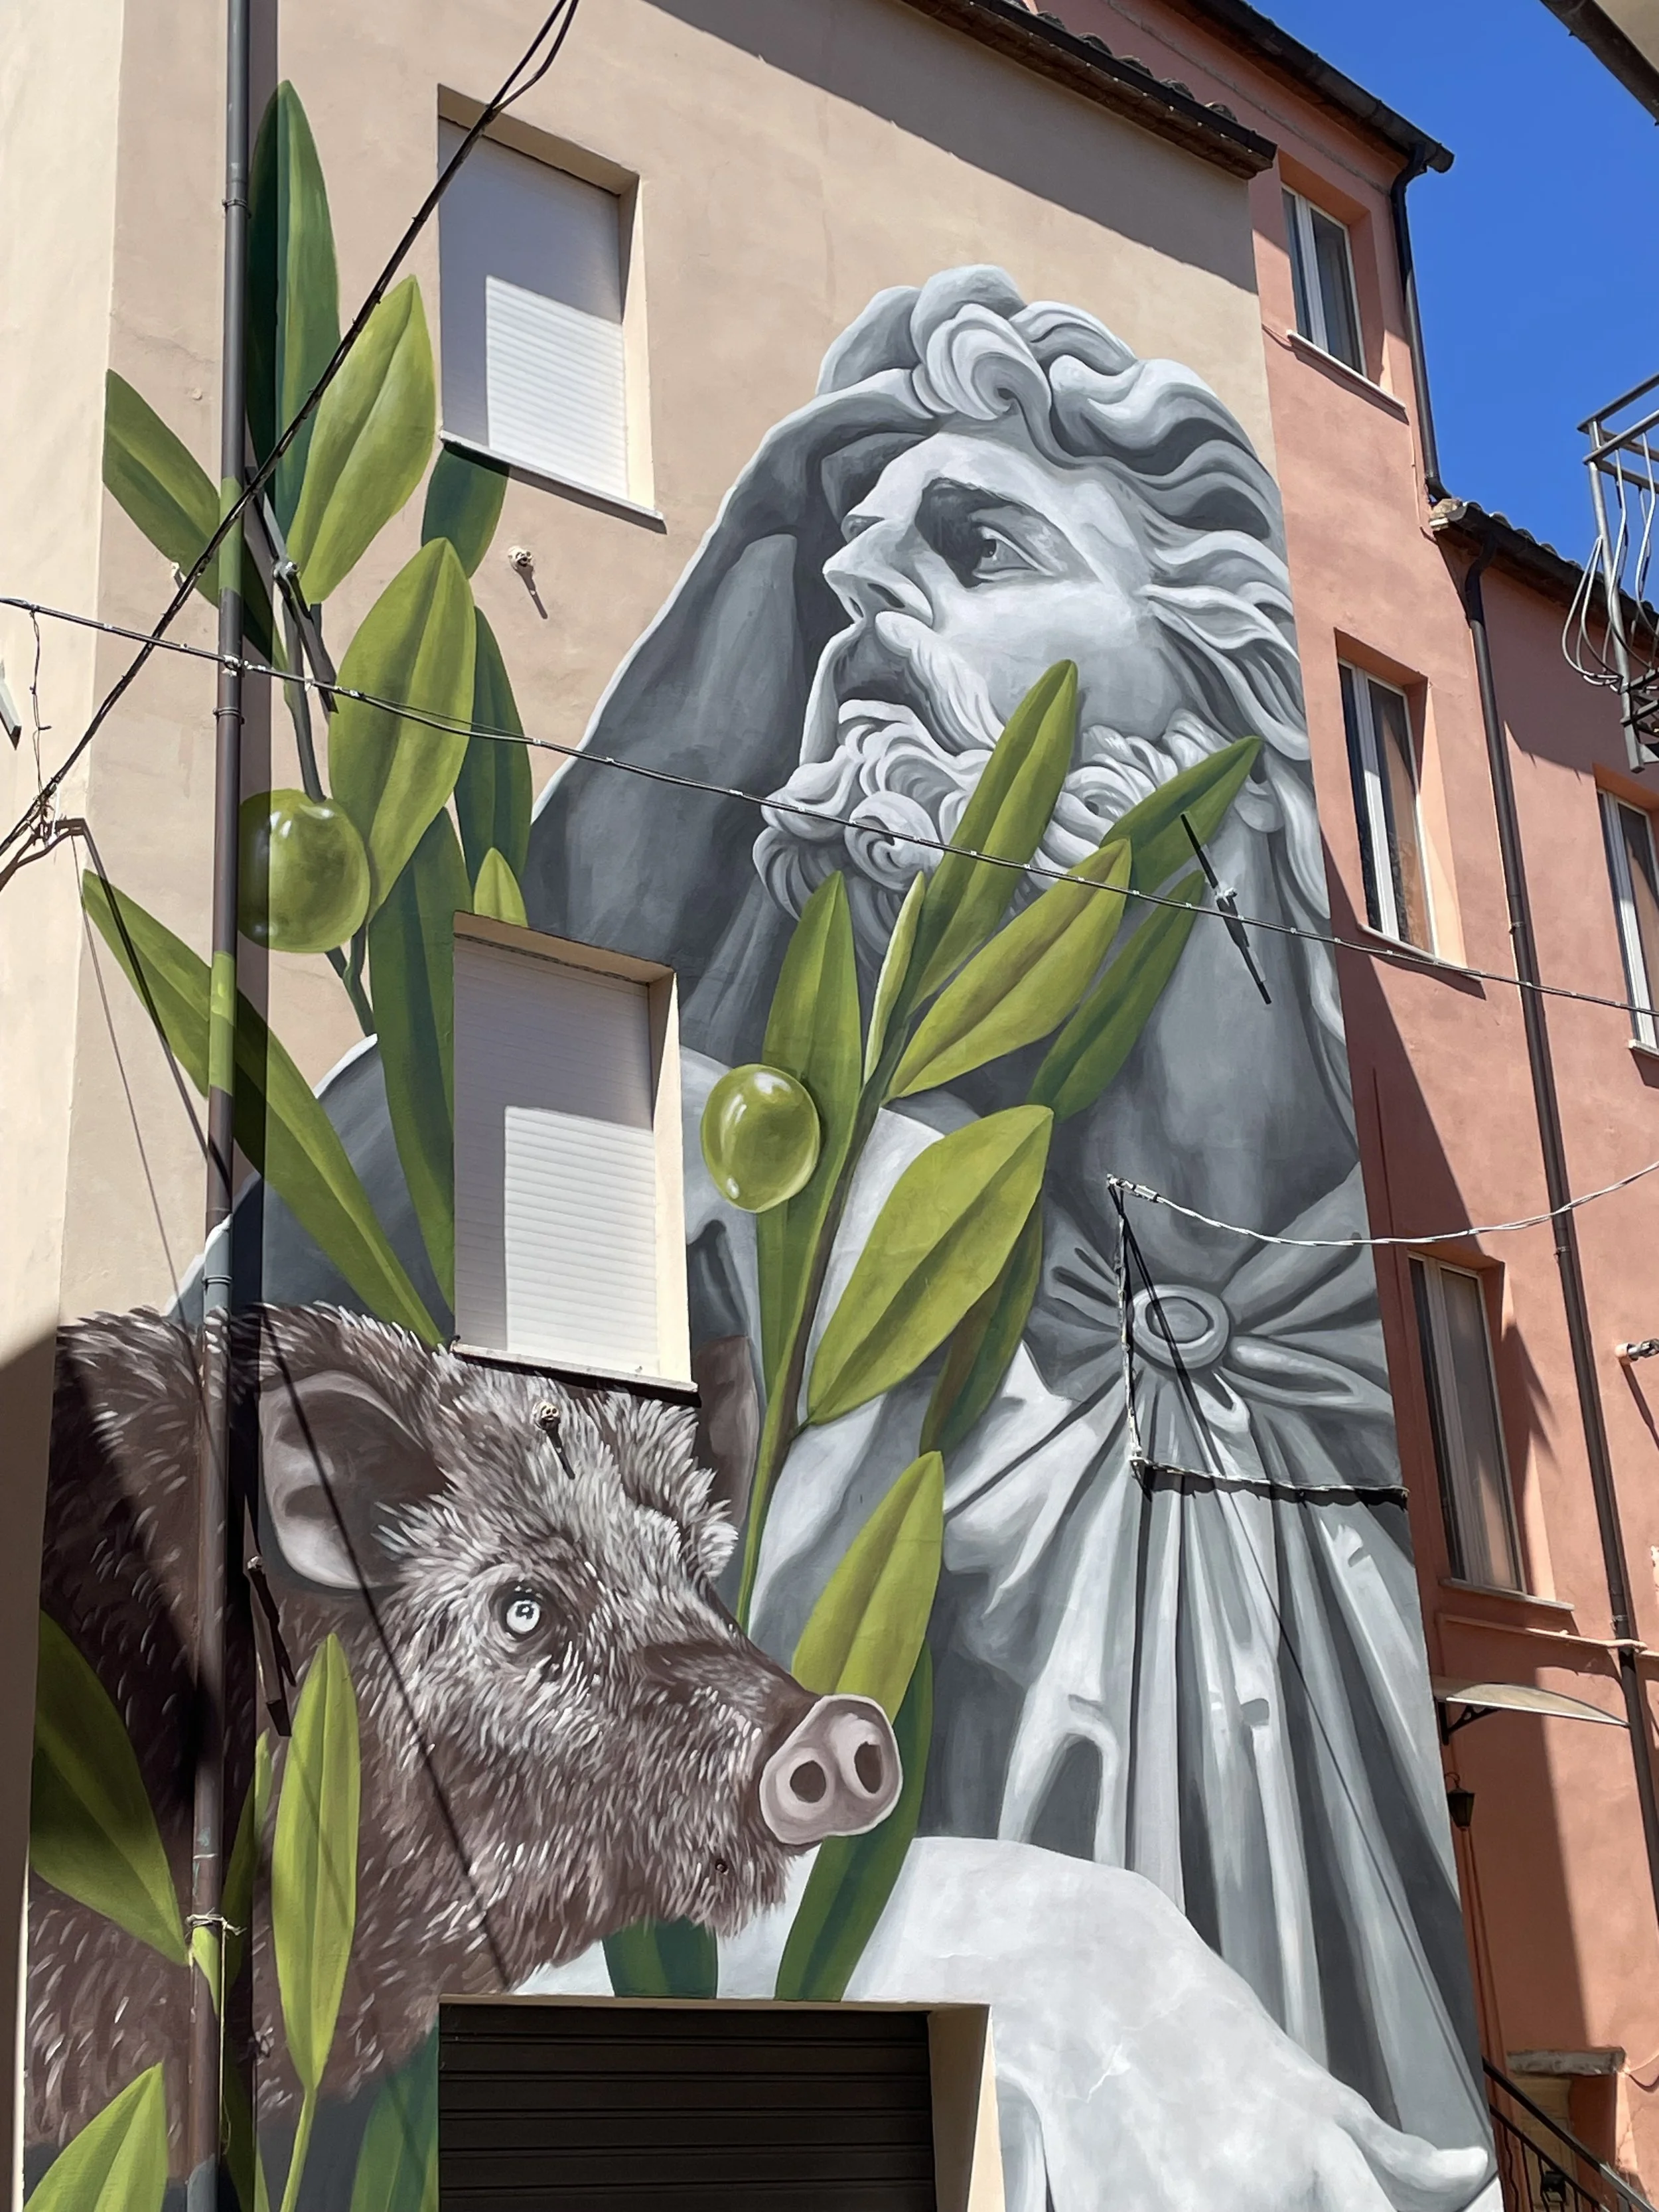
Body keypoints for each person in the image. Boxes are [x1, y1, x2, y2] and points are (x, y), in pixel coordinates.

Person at [526, 267, 1488, 2176]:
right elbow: (612, 1922)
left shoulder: (1352, 1300)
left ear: (1230, 682)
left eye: (974, 543)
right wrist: (1081, 1976)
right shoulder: (806, 1234)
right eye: (843, 574)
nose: (864, 603)